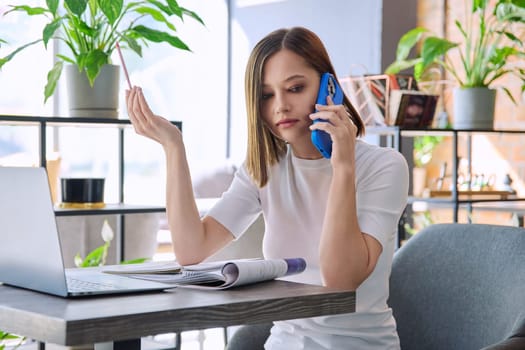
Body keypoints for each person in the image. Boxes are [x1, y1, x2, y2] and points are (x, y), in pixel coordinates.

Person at [126, 26, 409, 350]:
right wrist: (173, 147)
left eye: (295, 88)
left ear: (328, 87)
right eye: (266, 95)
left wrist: (342, 165)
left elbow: (340, 280)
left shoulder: (384, 167)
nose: (280, 106)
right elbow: (192, 250)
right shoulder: (265, 168)